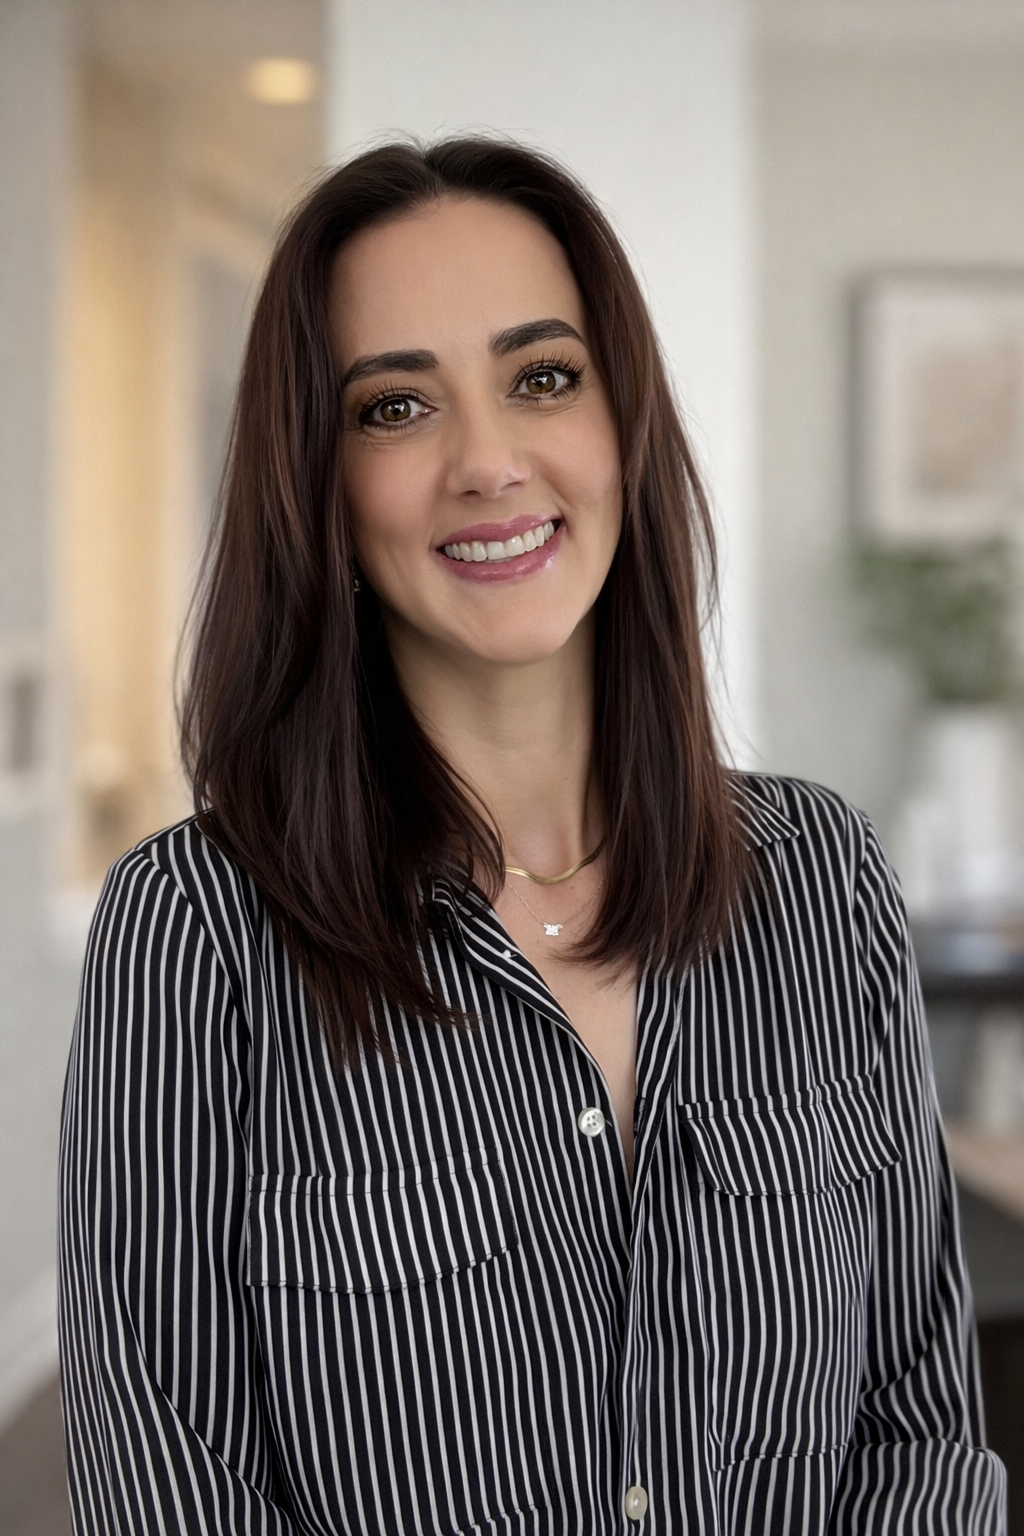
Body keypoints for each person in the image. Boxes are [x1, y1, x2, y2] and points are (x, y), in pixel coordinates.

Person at [58, 138, 1005, 1535]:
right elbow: (166, 1486)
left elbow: (923, 1429)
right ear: (317, 478)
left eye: (542, 378)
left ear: (623, 422)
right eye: (394, 408)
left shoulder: (823, 878)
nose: (488, 461)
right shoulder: (195, 932)